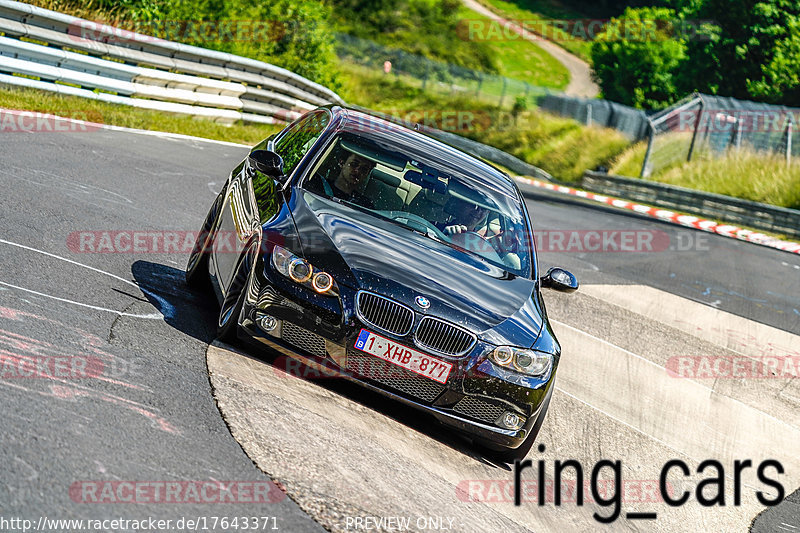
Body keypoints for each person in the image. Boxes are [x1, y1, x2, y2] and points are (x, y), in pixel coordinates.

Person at [310, 150, 376, 208]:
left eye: (364, 169)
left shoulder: (365, 205)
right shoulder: (317, 184)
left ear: (367, 174)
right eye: (354, 164)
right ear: (342, 163)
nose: (357, 171)